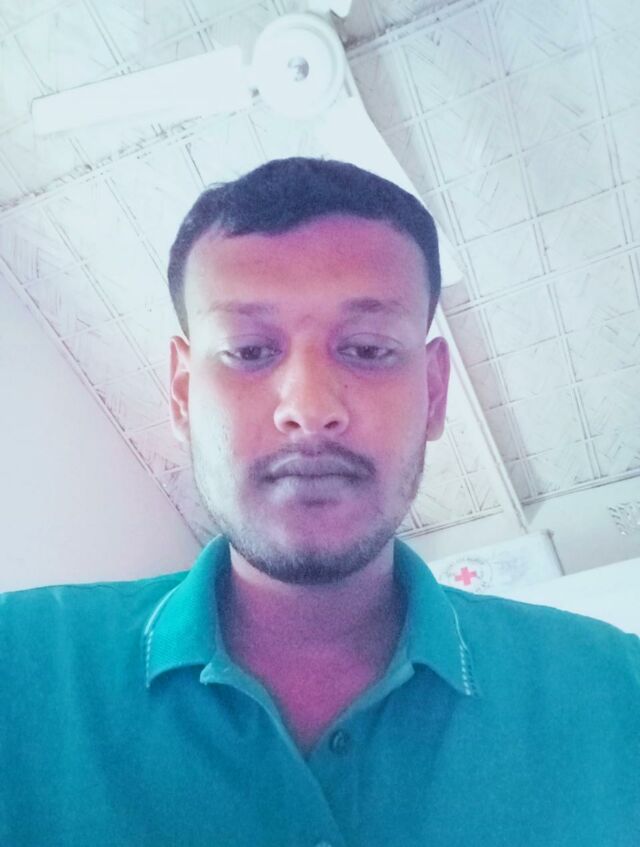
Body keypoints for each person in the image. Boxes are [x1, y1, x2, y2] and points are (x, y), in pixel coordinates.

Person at [1, 158, 638, 846]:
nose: (308, 408)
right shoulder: (18, 670)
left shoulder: (618, 694)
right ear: (183, 393)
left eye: (366, 348)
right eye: (249, 351)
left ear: (433, 391)